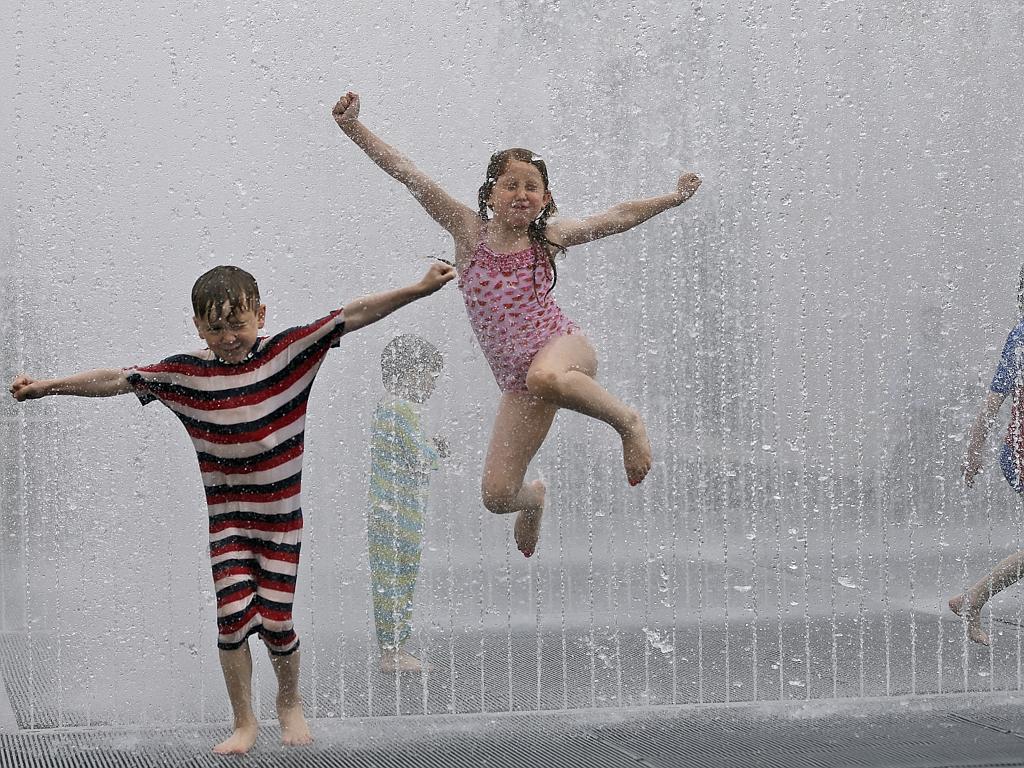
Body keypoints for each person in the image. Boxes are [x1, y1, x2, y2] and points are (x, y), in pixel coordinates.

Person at [9, 261, 454, 753]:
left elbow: (351, 315)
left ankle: (289, 700)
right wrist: (48, 386)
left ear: (260, 315)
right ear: (197, 326)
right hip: (229, 527)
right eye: (215, 327)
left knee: (277, 621)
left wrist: (418, 288)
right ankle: (244, 720)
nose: (228, 337)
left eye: (237, 324)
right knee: (234, 617)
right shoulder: (185, 375)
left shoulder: (289, 354)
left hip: (282, 525)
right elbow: (116, 379)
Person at [332, 90, 701, 558]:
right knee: (497, 495)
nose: (522, 194)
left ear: (545, 198)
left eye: (532, 187)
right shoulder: (469, 233)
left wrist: (673, 198)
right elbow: (410, 175)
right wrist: (354, 129)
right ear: (489, 194)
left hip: (564, 349)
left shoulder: (548, 238)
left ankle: (628, 423)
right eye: (511, 185)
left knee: (544, 375)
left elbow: (616, 218)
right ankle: (534, 501)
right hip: (521, 384)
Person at [950, 265, 1024, 646]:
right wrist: (972, 452)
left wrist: (974, 453)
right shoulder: (1021, 338)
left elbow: (993, 404)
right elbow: (993, 404)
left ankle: (971, 600)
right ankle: (972, 600)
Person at [368, 334, 448, 673]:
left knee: (391, 579)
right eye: (428, 374)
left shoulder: (387, 405)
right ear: (410, 373)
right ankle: (393, 652)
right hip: (397, 514)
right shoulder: (402, 409)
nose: (432, 383)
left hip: (392, 511)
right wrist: (437, 450)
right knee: (397, 580)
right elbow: (417, 459)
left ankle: (394, 648)